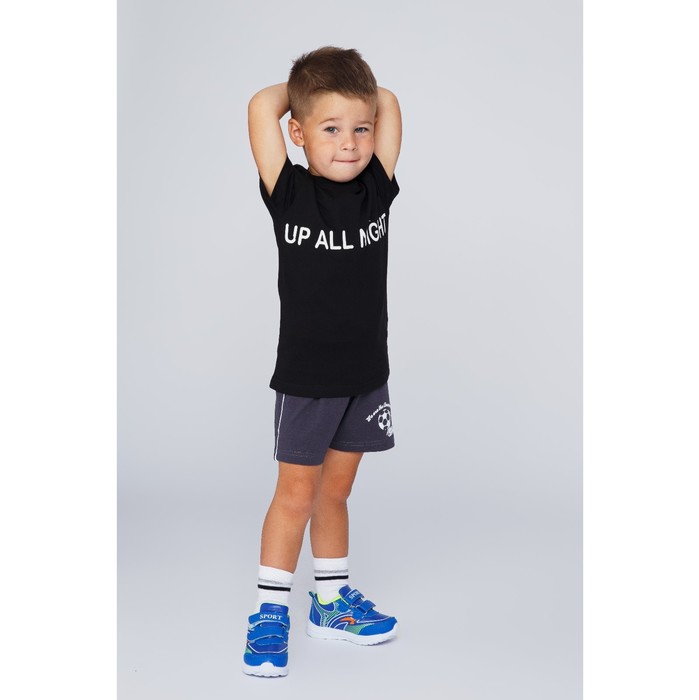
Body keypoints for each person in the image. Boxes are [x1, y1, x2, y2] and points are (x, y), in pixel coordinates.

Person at [243, 46, 402, 677]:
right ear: (299, 133)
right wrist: (306, 90)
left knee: (336, 493)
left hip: (365, 377)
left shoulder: (376, 189)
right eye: (330, 129)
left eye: (360, 129)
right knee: (295, 496)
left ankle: (331, 603)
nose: (350, 143)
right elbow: (263, 105)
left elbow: (387, 101)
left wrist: (343, 94)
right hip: (308, 382)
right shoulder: (289, 193)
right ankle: (269, 612)